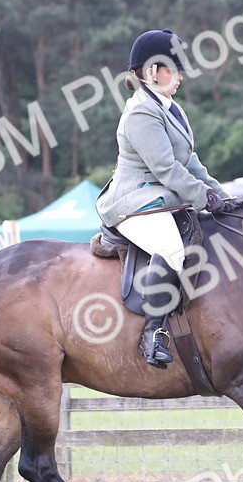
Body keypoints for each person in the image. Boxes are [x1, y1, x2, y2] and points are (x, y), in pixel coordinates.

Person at [96, 28, 235, 369]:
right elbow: (166, 168)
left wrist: (222, 196)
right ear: (153, 72)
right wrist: (204, 198)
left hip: (161, 197)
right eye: (175, 68)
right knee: (173, 249)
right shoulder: (140, 112)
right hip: (133, 202)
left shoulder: (172, 108)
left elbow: (191, 162)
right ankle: (152, 334)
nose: (181, 75)